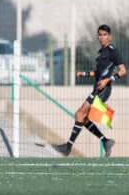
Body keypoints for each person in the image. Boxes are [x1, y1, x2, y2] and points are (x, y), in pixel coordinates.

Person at [52, 24, 126, 157]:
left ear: (110, 36)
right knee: (83, 118)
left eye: (104, 35)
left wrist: (107, 80)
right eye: (100, 35)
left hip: (103, 90)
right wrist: (85, 74)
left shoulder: (113, 51)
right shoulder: (99, 52)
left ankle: (67, 147)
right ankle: (106, 141)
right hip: (96, 88)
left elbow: (123, 71)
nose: (102, 37)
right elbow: (98, 73)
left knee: (79, 114)